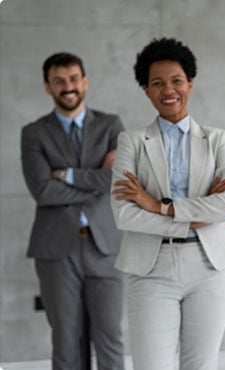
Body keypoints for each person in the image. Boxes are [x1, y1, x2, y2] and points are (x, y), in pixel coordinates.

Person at [109, 38, 225, 370]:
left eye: (176, 80)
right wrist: (197, 213)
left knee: (201, 366)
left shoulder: (217, 140)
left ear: (190, 84)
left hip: (210, 266)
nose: (168, 89)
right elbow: (124, 214)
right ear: (146, 90)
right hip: (151, 267)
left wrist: (160, 206)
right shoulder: (131, 142)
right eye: (157, 83)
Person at [21, 52, 125, 370]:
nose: (68, 87)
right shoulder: (34, 133)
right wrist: (96, 181)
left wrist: (65, 174)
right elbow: (42, 190)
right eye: (59, 81)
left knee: (110, 338)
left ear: (84, 81)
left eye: (73, 78)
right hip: (55, 250)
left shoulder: (110, 125)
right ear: (47, 86)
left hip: (104, 246)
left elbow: (118, 179)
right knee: (67, 341)